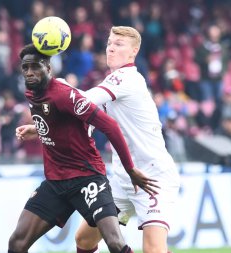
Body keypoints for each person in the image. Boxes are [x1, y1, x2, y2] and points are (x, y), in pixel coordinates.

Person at [8, 44, 158, 253]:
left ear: (49, 69)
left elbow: (110, 125)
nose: (30, 73)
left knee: (115, 243)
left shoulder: (63, 94)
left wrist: (130, 169)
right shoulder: (32, 93)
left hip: (87, 178)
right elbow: (61, 122)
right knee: (17, 243)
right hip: (56, 182)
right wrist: (39, 129)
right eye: (25, 68)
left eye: (36, 67)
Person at [75, 26, 180, 253]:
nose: (111, 48)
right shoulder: (111, 83)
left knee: (153, 249)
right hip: (123, 179)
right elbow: (85, 117)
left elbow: (84, 100)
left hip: (152, 178)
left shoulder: (127, 78)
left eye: (119, 44)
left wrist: (55, 94)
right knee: (84, 239)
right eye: (110, 43)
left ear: (133, 52)